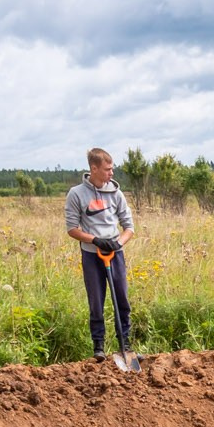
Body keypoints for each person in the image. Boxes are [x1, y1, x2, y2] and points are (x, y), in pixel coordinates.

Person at [64, 149, 136, 362]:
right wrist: (94, 240)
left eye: (112, 168)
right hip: (91, 256)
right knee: (96, 301)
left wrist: (117, 243)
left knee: (121, 299)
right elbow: (71, 229)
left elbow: (129, 227)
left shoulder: (116, 194)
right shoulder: (76, 194)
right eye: (107, 169)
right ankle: (99, 348)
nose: (111, 173)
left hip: (115, 254)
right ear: (93, 168)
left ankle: (126, 344)